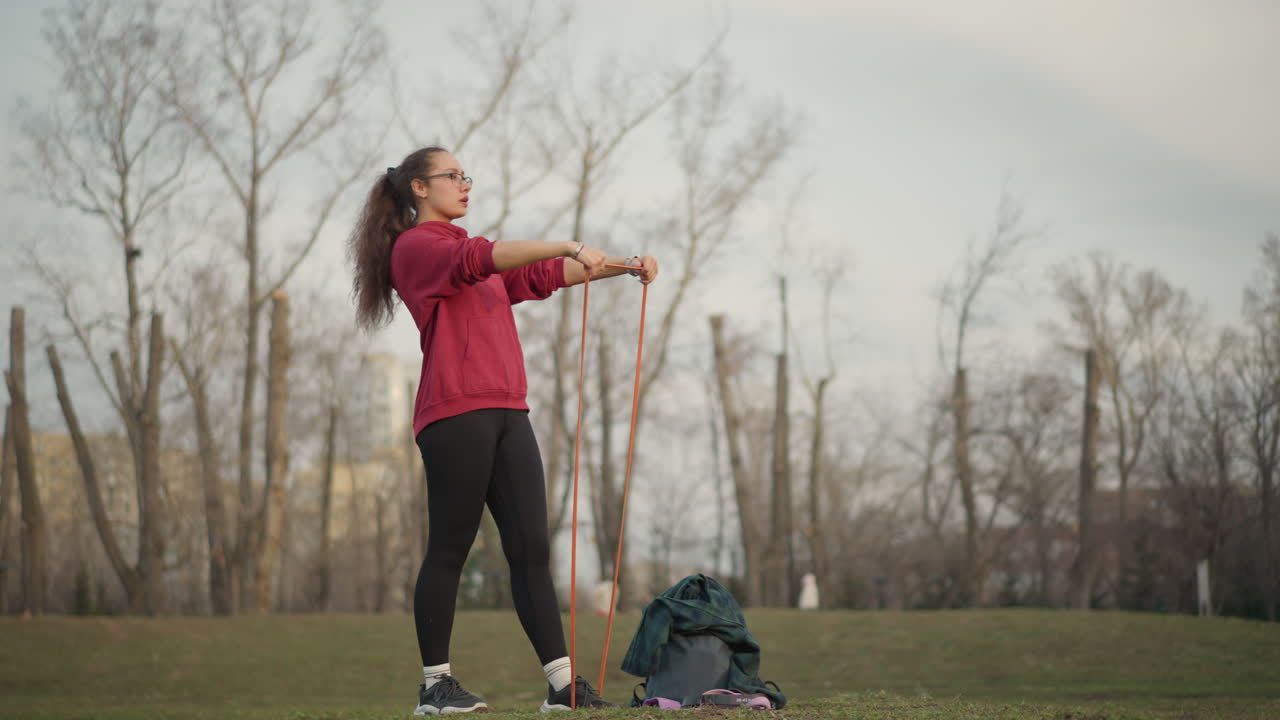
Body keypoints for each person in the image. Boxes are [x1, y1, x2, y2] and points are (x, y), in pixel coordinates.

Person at [348, 146, 658, 715]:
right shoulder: (419, 248)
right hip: (453, 413)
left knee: (531, 549)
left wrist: (622, 265)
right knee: (450, 547)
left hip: (509, 411)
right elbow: (486, 258)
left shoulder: (474, 256)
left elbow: (541, 275)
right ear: (419, 188)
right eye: (452, 176)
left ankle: (564, 689)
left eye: (467, 175)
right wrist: (570, 242)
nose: (465, 184)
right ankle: (435, 687)